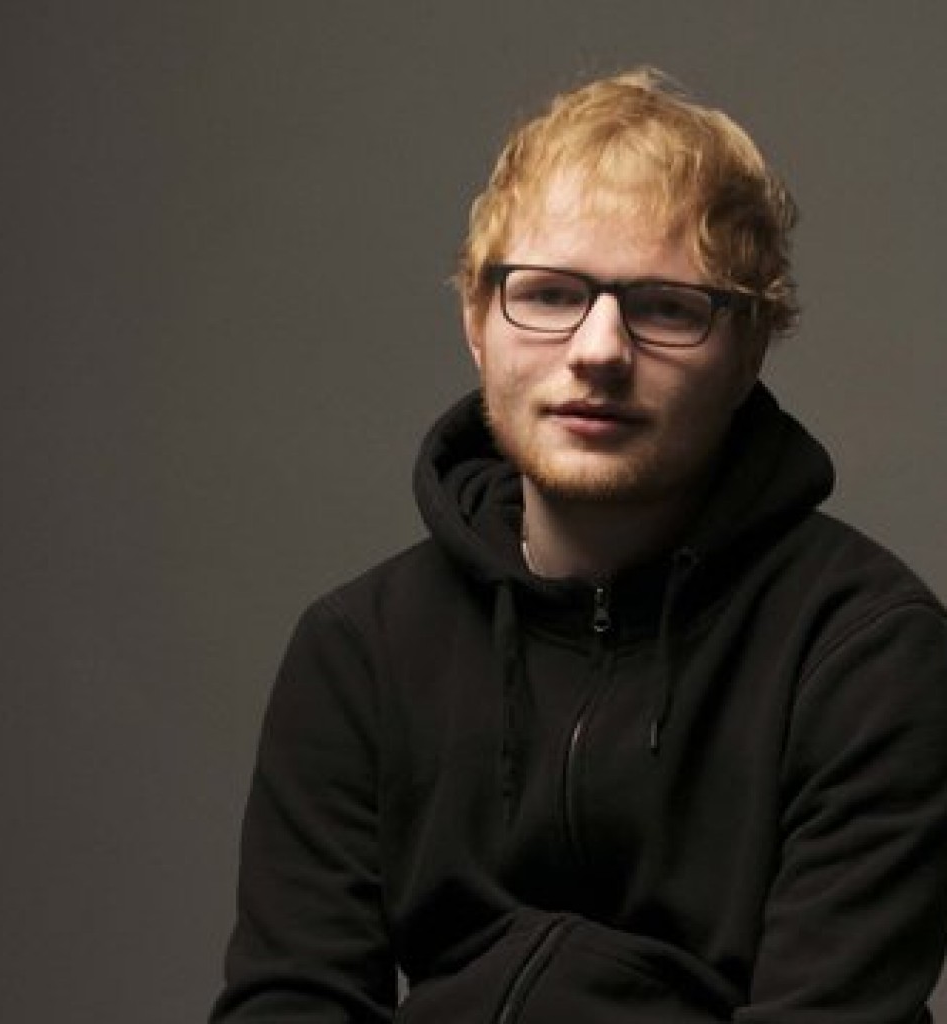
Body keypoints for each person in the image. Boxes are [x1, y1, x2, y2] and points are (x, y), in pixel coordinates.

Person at [209, 68, 947, 1022]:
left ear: (749, 349)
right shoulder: (361, 648)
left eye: (668, 306)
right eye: (551, 295)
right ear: (477, 322)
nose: (599, 350)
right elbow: (291, 1003)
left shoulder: (865, 652)